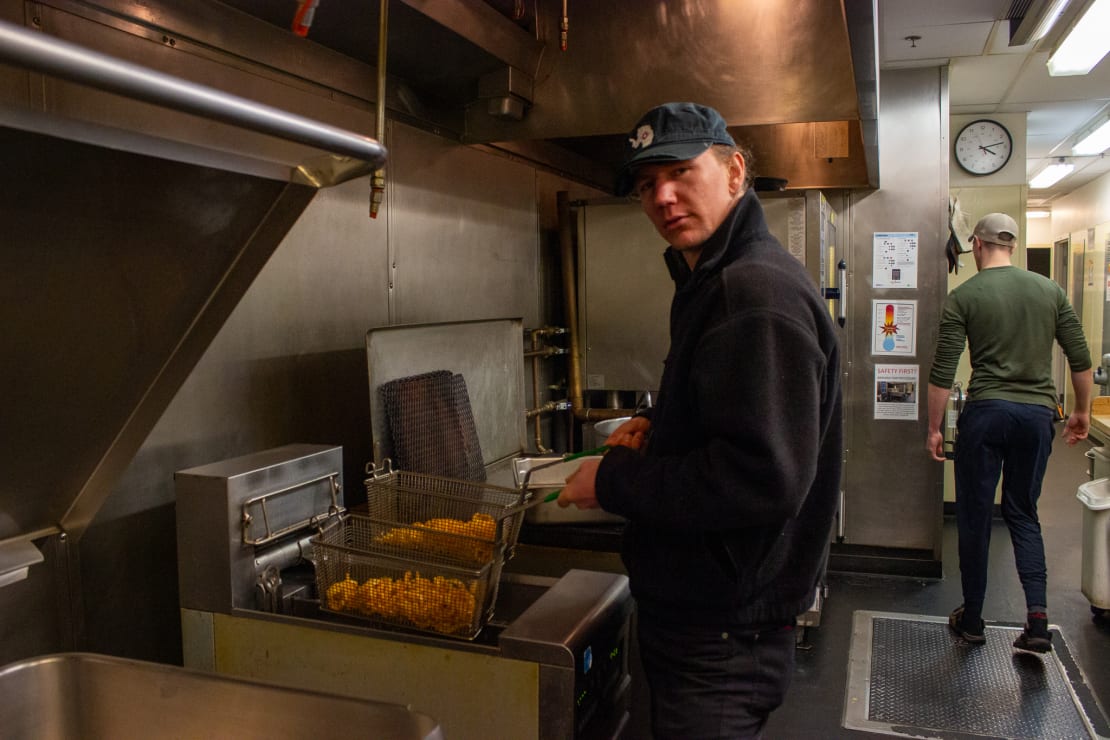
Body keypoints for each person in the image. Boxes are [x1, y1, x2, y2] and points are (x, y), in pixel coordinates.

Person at [558, 102, 843, 738]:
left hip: (722, 633)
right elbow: (732, 418)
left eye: (682, 172)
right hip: (715, 617)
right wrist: (658, 435)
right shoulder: (715, 278)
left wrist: (609, 482)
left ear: (735, 172)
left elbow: (760, 477)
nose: (662, 196)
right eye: (645, 184)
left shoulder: (752, 294)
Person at [926, 212, 1092, 653]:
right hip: (1037, 416)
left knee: (975, 516)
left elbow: (943, 371)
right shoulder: (1049, 290)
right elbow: (1080, 357)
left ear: (977, 245)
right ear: (1012, 246)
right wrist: (1082, 412)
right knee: (1023, 512)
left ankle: (973, 618)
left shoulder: (966, 296)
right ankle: (1037, 621)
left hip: (986, 413)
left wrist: (934, 429)